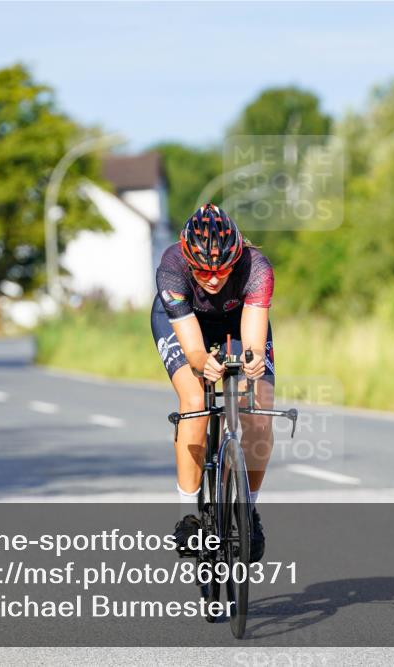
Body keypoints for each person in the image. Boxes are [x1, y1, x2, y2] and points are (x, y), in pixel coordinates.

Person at [150, 203, 276, 562]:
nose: (215, 279)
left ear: (237, 255)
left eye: (222, 270)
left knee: (259, 411)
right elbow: (193, 351)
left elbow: (251, 343)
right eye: (204, 272)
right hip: (186, 323)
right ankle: (188, 515)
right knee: (194, 402)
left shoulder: (257, 269)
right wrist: (205, 364)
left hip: (237, 320)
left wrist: (251, 363)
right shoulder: (172, 267)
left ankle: (248, 512)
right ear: (189, 260)